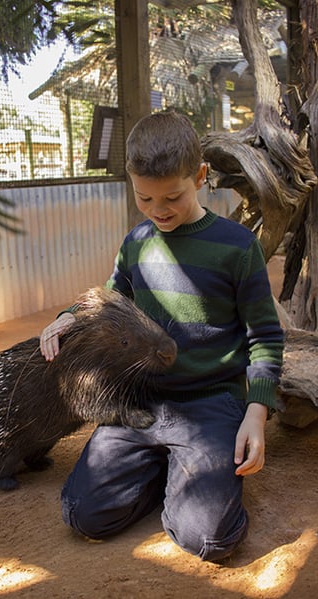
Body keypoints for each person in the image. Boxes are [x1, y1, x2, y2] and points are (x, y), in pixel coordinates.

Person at [40, 110, 284, 562]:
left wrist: (256, 412)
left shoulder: (237, 246)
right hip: (141, 399)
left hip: (212, 404)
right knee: (82, 515)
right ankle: (167, 471)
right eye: (144, 198)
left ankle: (189, 475)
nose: (158, 211)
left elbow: (265, 335)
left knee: (209, 540)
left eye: (172, 196)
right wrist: (71, 316)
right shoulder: (136, 241)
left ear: (201, 176)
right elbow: (112, 303)